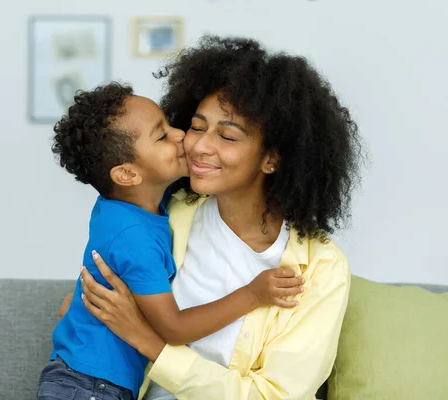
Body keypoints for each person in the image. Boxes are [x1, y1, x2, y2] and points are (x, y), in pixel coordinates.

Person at [71, 35, 364, 400]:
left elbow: (272, 397)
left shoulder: (321, 267)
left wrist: (147, 341)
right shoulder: (164, 214)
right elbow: (94, 296)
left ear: (271, 158)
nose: (198, 146)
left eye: (226, 136)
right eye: (196, 126)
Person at [39, 82, 306, 400]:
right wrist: (252, 294)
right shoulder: (136, 240)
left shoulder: (133, 202)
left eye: (172, 124)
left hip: (84, 378)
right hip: (89, 387)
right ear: (127, 175)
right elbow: (174, 328)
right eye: (162, 135)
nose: (181, 135)